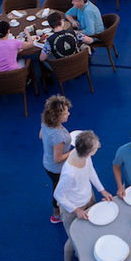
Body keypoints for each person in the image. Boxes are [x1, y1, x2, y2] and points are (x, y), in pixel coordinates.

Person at [53, 130, 114, 261]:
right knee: (72, 240)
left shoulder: (84, 157)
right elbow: (58, 195)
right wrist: (77, 210)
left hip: (88, 199)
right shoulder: (69, 173)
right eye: (95, 148)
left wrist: (102, 190)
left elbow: (91, 171)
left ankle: (80, 253)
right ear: (88, 151)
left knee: (87, 232)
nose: (97, 148)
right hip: (73, 209)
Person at [39, 95, 72, 224]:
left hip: (47, 164)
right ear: (57, 116)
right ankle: (56, 214)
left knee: (56, 187)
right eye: (65, 112)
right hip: (56, 168)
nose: (68, 113)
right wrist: (73, 152)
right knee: (59, 190)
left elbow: (41, 135)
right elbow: (58, 159)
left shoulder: (45, 123)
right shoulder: (58, 136)